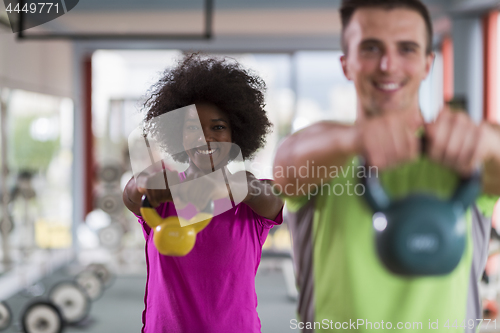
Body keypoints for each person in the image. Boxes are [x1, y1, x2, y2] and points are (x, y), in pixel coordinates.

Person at [273, 0, 500, 332]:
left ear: (427, 64)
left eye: (406, 49)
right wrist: (355, 140)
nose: (387, 64)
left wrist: (488, 142)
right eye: (370, 48)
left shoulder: (464, 155)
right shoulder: (325, 149)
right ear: (346, 64)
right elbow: (286, 166)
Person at [123, 54, 284, 333]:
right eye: (192, 128)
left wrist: (223, 187)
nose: (205, 137)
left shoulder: (247, 196)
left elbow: (269, 196)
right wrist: (146, 184)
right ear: (179, 135)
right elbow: (131, 194)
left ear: (237, 134)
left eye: (218, 127)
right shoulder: (164, 193)